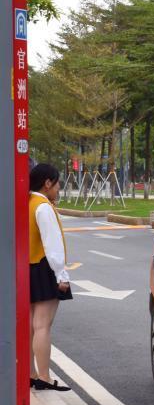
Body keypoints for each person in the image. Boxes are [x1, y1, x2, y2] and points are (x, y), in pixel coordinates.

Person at [28, 163, 72, 391]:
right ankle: (44, 378)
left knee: (30, 326)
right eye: (57, 184)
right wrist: (61, 275)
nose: (58, 189)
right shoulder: (43, 207)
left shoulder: (26, 202)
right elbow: (52, 245)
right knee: (42, 326)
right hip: (45, 269)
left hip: (28, 267)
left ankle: (31, 373)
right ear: (47, 183)